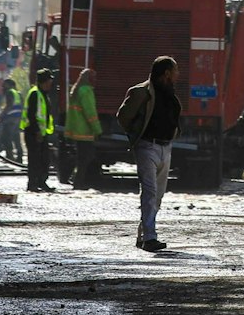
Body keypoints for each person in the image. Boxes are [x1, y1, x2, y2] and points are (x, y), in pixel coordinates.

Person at [118, 55, 183, 251]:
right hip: (147, 147)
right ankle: (150, 238)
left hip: (166, 147)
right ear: (166, 74)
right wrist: (136, 136)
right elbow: (123, 116)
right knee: (149, 192)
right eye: (175, 71)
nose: (178, 75)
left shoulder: (170, 94)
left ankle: (143, 234)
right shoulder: (141, 92)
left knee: (158, 197)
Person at [64, 68, 102, 189]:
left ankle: (75, 179)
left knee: (81, 157)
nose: (95, 80)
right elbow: (90, 112)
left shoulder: (76, 90)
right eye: (93, 78)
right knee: (86, 157)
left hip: (77, 130)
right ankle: (77, 182)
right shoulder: (86, 91)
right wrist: (97, 130)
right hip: (85, 131)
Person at [22, 68, 57, 192]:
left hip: (41, 133)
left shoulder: (42, 94)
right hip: (33, 133)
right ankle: (32, 184)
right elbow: (31, 115)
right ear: (44, 81)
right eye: (49, 81)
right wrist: (37, 131)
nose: (51, 84)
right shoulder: (35, 94)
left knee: (44, 160)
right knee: (35, 160)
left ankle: (41, 182)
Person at [0, 77, 25, 165]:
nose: (3, 87)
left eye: (4, 85)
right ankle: (19, 158)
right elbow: (22, 106)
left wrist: (1, 115)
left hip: (10, 119)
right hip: (17, 119)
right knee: (16, 139)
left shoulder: (9, 92)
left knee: (6, 138)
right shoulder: (18, 94)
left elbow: (9, 105)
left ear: (10, 85)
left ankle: (10, 157)